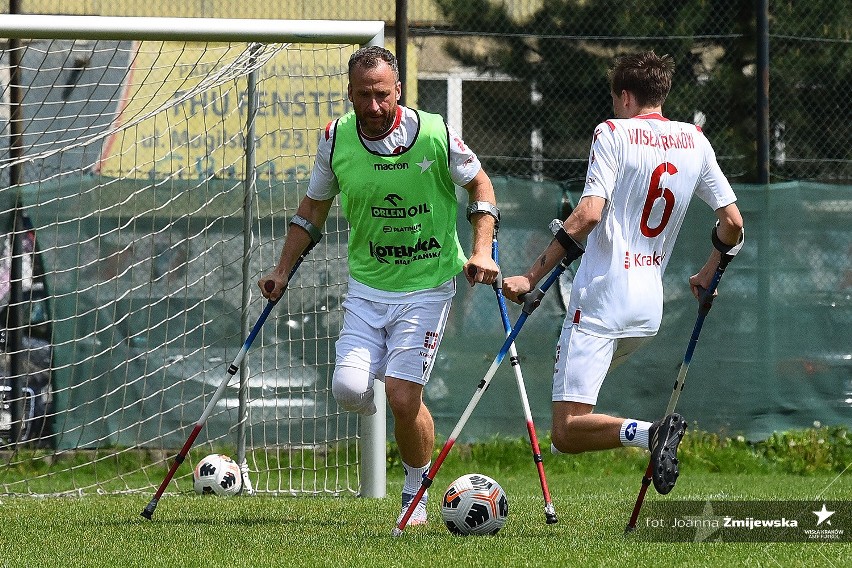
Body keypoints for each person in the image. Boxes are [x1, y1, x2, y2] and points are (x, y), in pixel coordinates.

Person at [258, 46, 499, 525]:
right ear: (349, 94)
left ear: (399, 91)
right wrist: (281, 270)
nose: (373, 106)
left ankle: (417, 491)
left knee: (403, 396)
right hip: (368, 289)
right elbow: (312, 209)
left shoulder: (434, 132)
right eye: (363, 96)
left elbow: (481, 186)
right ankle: (395, 413)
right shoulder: (335, 139)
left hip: (427, 285)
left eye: (382, 95)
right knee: (349, 391)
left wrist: (481, 250)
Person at [502, 51, 744, 495]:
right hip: (648, 310)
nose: (614, 107)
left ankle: (650, 433)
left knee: (565, 432)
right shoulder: (694, 138)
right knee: (572, 414)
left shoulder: (611, 132)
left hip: (601, 299)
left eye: (616, 99)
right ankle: (647, 433)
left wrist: (528, 278)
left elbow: (589, 213)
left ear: (626, 97)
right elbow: (733, 224)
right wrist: (711, 270)